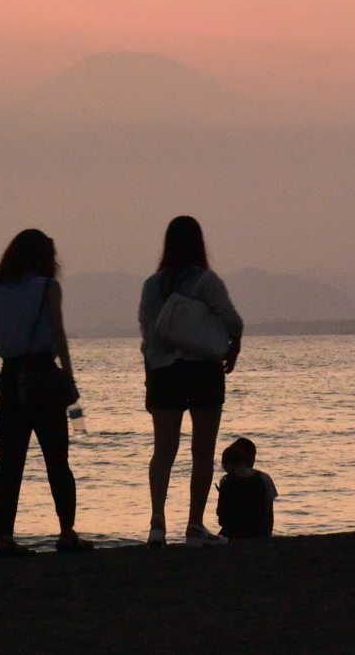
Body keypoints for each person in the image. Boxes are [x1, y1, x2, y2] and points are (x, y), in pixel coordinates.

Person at [0, 229, 92, 555]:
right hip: (43, 377)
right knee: (57, 459)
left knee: (9, 461)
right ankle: (67, 532)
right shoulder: (48, 288)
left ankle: (3, 536)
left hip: (11, 380)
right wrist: (69, 375)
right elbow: (57, 331)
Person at [139, 216, 243, 548]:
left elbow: (147, 338)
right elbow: (234, 321)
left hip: (163, 375)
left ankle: (157, 522)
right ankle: (195, 526)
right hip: (202, 373)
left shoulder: (151, 286)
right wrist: (233, 346)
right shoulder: (207, 282)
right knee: (202, 452)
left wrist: (148, 381)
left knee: (163, 452)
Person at [216, 438, 278, 539]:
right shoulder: (263, 479)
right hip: (259, 532)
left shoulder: (226, 481)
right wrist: (268, 534)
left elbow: (222, 519)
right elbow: (268, 512)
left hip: (235, 533)